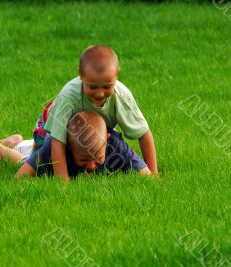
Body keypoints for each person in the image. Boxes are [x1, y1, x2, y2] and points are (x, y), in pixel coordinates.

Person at [43, 45, 158, 180]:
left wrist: (153, 175)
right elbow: (57, 143)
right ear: (80, 74)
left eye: (107, 87)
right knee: (37, 159)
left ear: (117, 74)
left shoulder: (121, 96)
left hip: (96, 138)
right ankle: (14, 149)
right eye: (92, 87)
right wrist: (63, 183)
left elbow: (143, 133)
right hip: (58, 133)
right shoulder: (68, 97)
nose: (99, 93)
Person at [16, 111, 151, 179]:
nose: (92, 166)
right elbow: (20, 176)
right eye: (84, 160)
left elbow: (146, 175)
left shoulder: (115, 146)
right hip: (43, 136)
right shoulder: (55, 148)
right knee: (22, 158)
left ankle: (15, 140)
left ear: (106, 141)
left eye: (97, 157)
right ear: (69, 147)